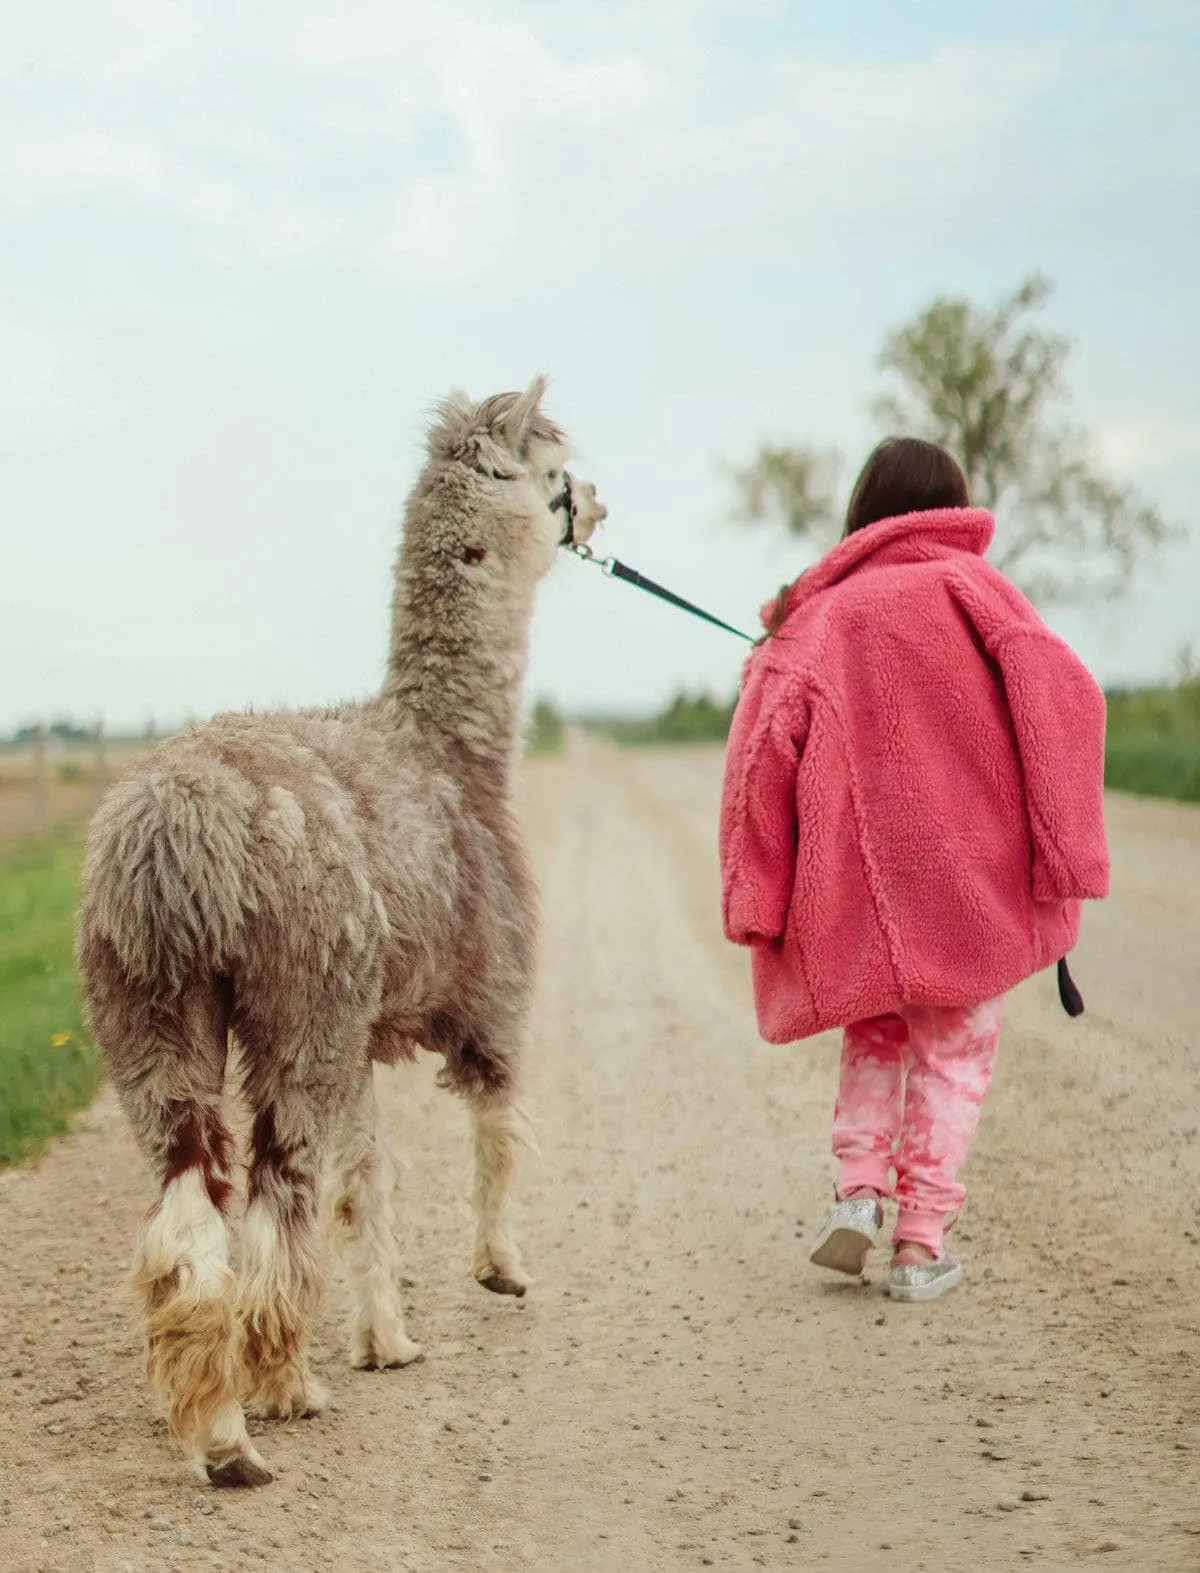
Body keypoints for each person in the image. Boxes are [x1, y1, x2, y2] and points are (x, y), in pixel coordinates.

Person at [718, 436, 1110, 1302]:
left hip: (859, 886)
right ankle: (920, 1243)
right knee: (955, 1052)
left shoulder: (819, 614)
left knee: (877, 1027)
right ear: (951, 505)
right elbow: (1067, 703)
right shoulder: (980, 592)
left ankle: (859, 1193)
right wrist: (1067, 849)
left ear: (863, 512)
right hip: (973, 882)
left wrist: (757, 891)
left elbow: (758, 759)